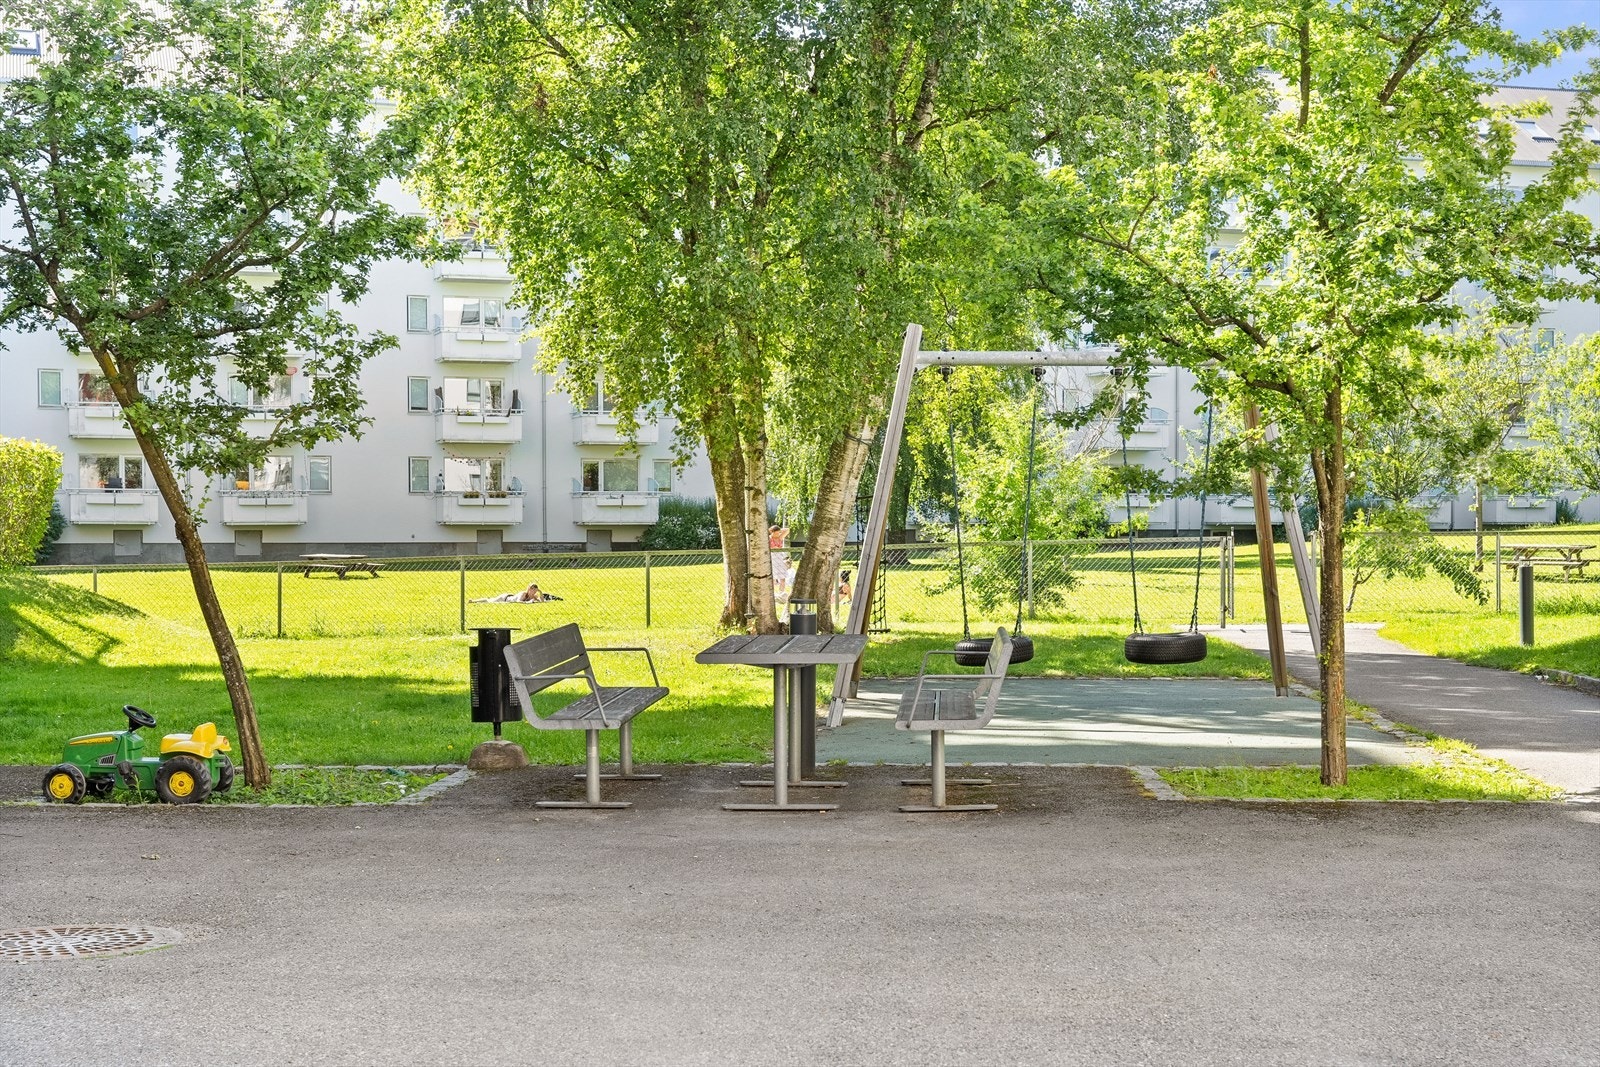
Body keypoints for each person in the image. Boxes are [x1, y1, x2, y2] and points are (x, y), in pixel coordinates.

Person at [768, 524, 791, 599]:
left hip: (780, 558)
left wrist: (780, 530)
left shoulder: (780, 537)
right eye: (776, 532)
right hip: (772, 557)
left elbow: (787, 530)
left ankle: (781, 593)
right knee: (773, 577)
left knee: (782, 576)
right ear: (772, 532)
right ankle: (773, 593)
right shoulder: (768, 538)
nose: (778, 534)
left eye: (779, 532)